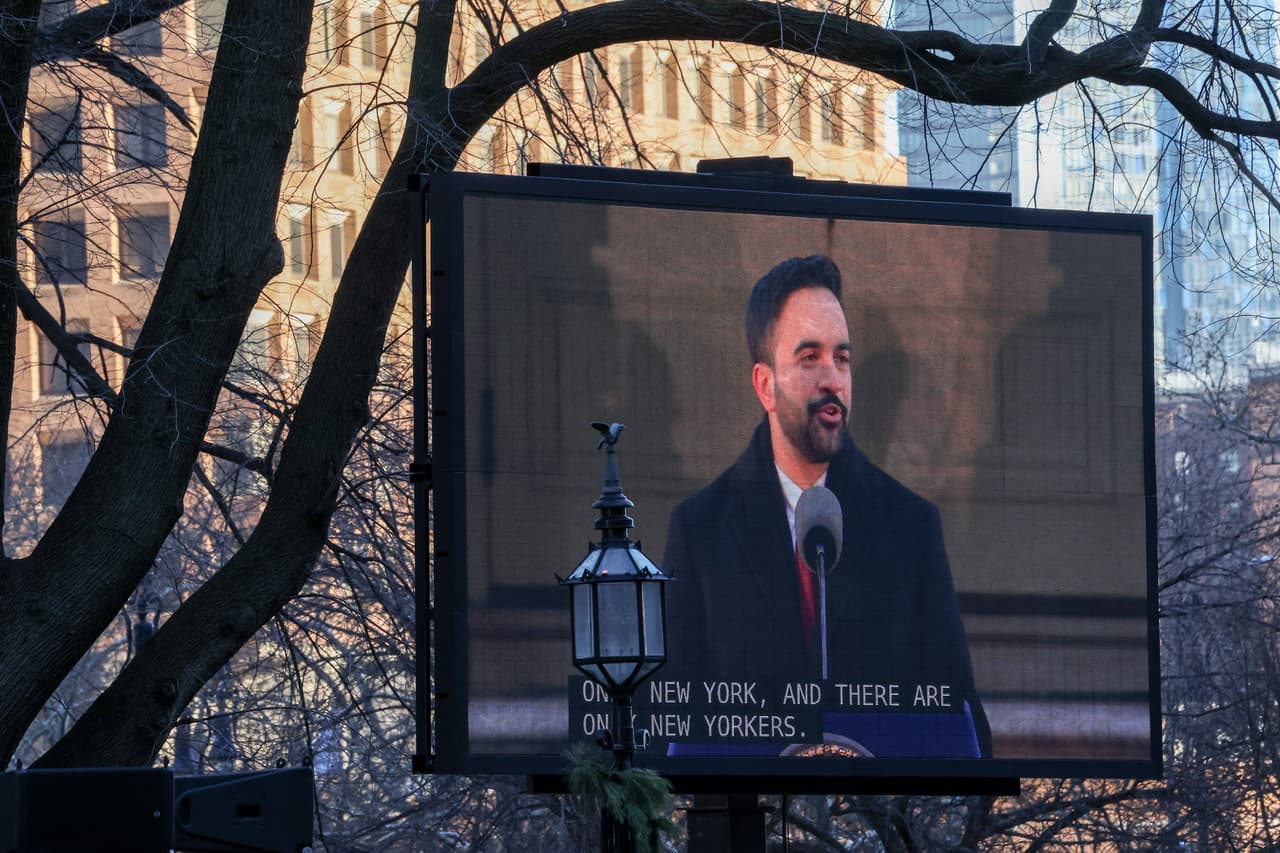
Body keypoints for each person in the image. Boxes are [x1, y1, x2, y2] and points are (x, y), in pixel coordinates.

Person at [663, 255, 991, 759]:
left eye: (842, 358)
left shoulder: (911, 527)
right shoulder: (701, 530)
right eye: (809, 357)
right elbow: (670, 725)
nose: (832, 380)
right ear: (765, 384)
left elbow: (963, 725)